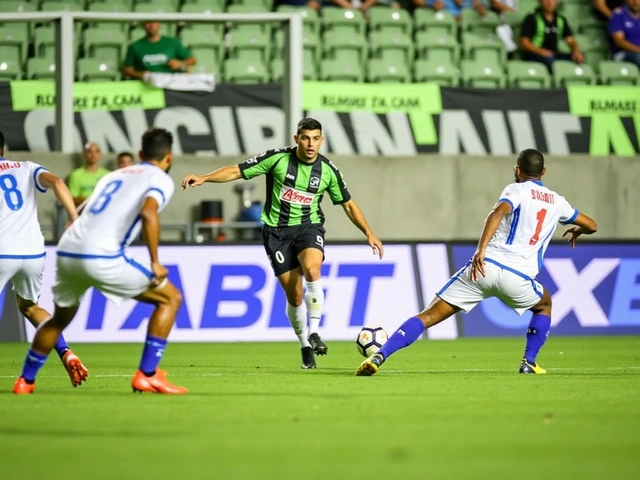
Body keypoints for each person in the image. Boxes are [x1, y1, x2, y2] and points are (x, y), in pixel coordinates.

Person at [356, 148, 598, 377]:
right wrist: (579, 230)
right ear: (543, 172)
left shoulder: (516, 190)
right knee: (544, 305)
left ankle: (380, 355)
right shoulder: (558, 202)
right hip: (519, 278)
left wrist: (480, 250)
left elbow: (497, 213)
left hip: (483, 268)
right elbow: (592, 225)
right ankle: (529, 362)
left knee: (428, 315)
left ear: (517, 171)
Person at [182, 118, 384, 370]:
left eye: (315, 138)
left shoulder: (328, 171)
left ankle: (314, 332)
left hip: (308, 227)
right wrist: (204, 178)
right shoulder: (277, 160)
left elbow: (348, 204)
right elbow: (236, 170)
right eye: (305, 138)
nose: (310, 144)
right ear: (296, 138)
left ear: (321, 140)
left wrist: (369, 232)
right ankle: (304, 345)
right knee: (295, 294)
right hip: (276, 233)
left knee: (312, 269)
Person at [13, 128, 186, 395]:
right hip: (101, 255)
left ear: (140, 154)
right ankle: (148, 374)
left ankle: (26, 381)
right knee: (170, 298)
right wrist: (155, 261)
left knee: (57, 320)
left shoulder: (115, 175)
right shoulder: (160, 178)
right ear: (169, 157)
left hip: (68, 251)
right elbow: (149, 214)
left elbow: (86, 211)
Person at [0, 130, 88, 388]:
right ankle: (66, 352)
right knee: (31, 307)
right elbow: (58, 182)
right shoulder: (27, 167)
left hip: (2, 248)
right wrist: (73, 217)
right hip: (32, 251)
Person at [519, 0, 584, 71]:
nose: (550, 2)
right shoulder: (532, 18)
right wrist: (540, 51)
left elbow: (570, 39)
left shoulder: (561, 19)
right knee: (550, 60)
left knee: (577, 58)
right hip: (535, 55)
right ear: (540, 1)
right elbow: (524, 42)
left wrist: (576, 50)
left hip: (553, 54)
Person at [122, 21, 196, 80]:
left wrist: (180, 63)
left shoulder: (172, 43)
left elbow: (192, 60)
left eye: (154, 22)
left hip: (169, 83)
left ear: (159, 24)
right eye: (148, 23)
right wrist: (139, 74)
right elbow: (126, 69)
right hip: (145, 85)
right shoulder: (135, 46)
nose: (151, 26)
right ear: (143, 25)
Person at [67, 142, 110, 207]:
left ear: (100, 154)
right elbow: (72, 198)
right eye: (89, 152)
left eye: (96, 151)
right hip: (83, 210)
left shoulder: (107, 174)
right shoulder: (75, 174)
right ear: (84, 154)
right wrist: (90, 201)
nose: (93, 154)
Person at [609, 0, 640, 68]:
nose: (636, 2)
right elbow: (619, 42)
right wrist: (638, 50)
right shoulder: (618, 15)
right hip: (623, 53)